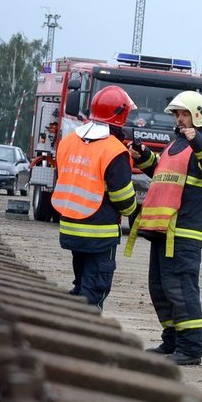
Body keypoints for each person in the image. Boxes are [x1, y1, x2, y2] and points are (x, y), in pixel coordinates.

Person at [126, 90, 202, 365]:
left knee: (181, 289)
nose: (180, 120)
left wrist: (198, 143)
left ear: (198, 116)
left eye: (185, 114)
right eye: (177, 114)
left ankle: (191, 348)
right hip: (162, 229)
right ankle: (171, 341)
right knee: (160, 288)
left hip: (184, 232)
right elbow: (162, 173)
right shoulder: (175, 145)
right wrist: (143, 155)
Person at [51, 86, 138, 310]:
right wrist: (132, 209)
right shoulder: (115, 150)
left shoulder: (68, 141)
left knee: (81, 286)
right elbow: (122, 197)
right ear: (121, 114)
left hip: (70, 227)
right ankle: (83, 337)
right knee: (94, 293)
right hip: (100, 233)